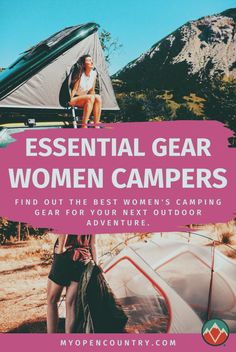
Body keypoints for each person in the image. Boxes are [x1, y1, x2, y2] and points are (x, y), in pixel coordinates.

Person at [47, 234, 97, 333]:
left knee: (52, 300)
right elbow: (93, 243)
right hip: (82, 259)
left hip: (65, 255)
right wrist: (96, 265)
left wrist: (60, 250)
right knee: (71, 303)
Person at [69, 55, 102, 128]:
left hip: (85, 98)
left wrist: (94, 99)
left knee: (98, 97)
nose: (92, 62)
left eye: (91, 60)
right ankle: (84, 126)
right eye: (89, 60)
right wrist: (70, 100)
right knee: (90, 98)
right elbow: (74, 89)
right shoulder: (80, 74)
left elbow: (91, 90)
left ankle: (96, 126)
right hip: (75, 98)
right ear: (84, 64)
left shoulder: (94, 74)